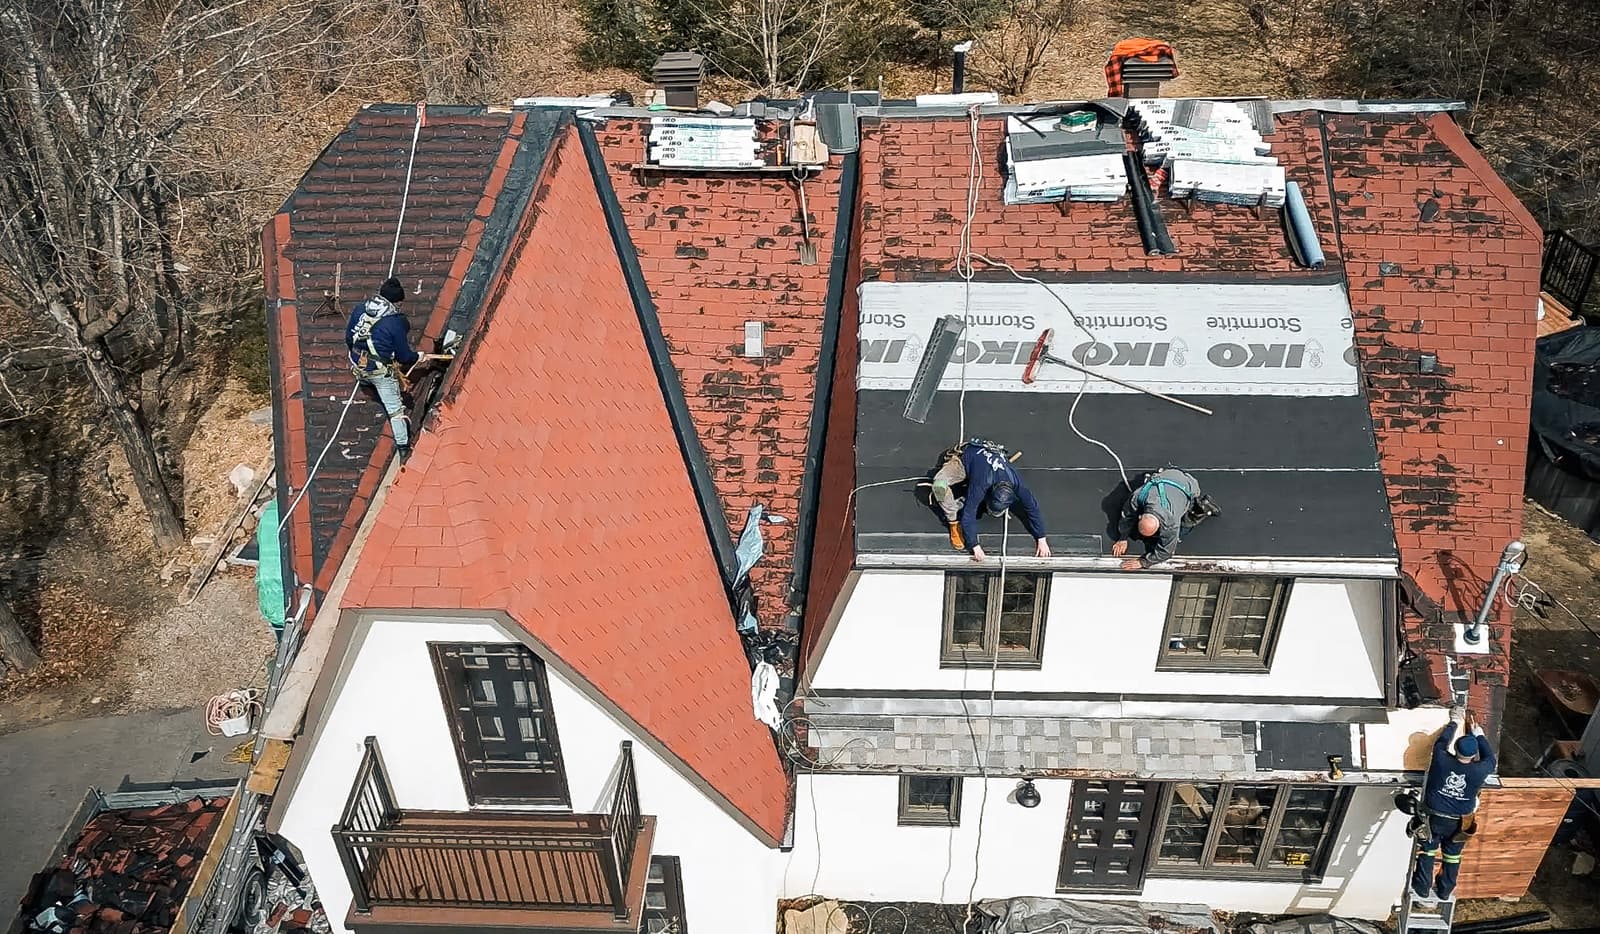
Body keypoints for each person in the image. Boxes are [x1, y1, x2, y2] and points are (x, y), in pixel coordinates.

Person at [1411, 706, 1496, 902]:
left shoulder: (1441, 759)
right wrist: (1479, 735)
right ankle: (1444, 890)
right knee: (1452, 856)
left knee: (1428, 849)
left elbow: (1441, 742)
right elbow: (1490, 758)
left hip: (1433, 817)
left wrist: (1454, 722)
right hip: (1460, 822)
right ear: (1473, 755)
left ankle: (1422, 888)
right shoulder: (1481, 770)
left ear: (1455, 749)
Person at [928, 439, 1050, 562]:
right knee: (939, 486)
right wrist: (974, 545)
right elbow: (969, 512)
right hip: (966, 459)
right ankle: (953, 522)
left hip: (985, 465)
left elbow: (1033, 508)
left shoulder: (1016, 483)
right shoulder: (981, 484)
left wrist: (1041, 538)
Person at [346, 277, 421, 450]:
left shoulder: (360, 309)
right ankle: (403, 445)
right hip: (379, 372)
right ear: (397, 302)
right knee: (395, 410)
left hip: (357, 363)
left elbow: (349, 339)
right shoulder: (395, 322)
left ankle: (364, 381)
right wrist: (417, 356)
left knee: (364, 373)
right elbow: (404, 357)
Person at [1112, 467, 1220, 569]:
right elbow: (1127, 515)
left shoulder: (1171, 522)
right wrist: (1123, 537)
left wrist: (1143, 562)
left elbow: (1166, 552)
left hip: (1188, 484)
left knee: (1184, 527)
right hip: (1170, 475)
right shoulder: (1138, 496)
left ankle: (1203, 507)